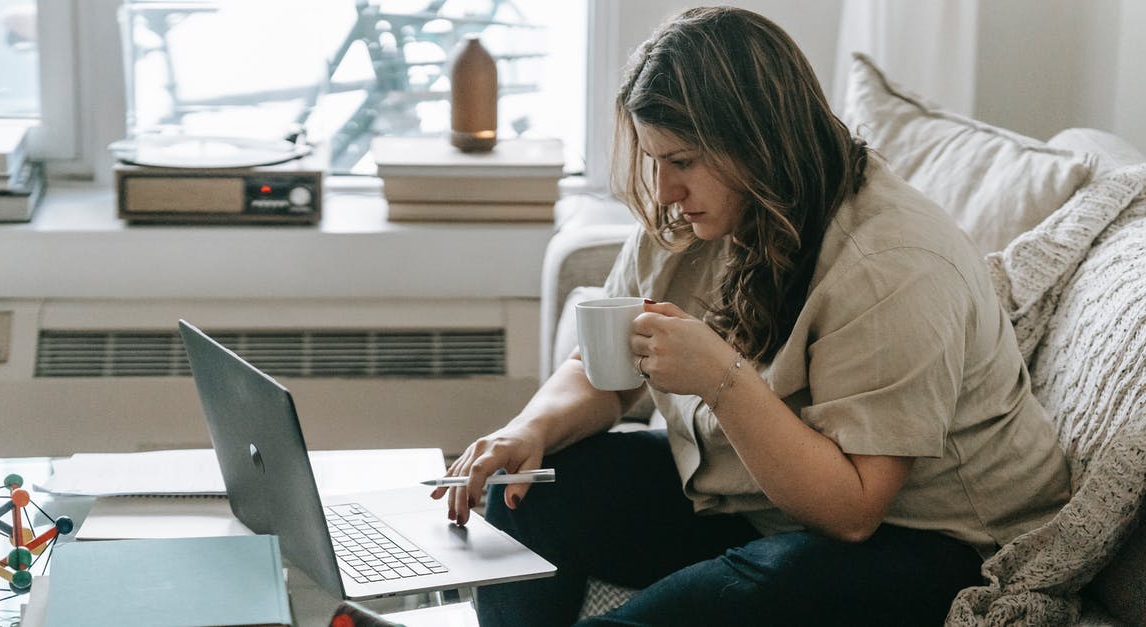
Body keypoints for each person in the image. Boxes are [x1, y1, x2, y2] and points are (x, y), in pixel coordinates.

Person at [431, 7, 1071, 626]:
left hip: (931, 541)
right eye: (655, 161)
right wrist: (528, 428)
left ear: (761, 141)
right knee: (523, 493)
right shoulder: (693, 217)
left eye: (682, 161)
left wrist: (721, 376)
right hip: (756, 500)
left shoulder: (891, 263)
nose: (665, 193)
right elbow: (603, 367)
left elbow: (852, 511)